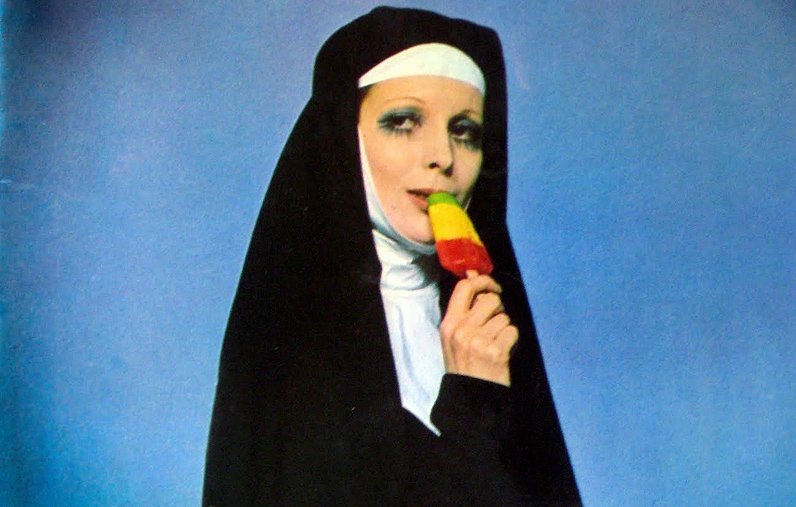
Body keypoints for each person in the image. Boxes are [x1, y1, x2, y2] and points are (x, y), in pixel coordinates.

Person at [203, 6, 581, 505]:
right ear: (345, 137)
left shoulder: (492, 333)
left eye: (465, 131)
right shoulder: (289, 349)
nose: (443, 156)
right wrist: (472, 401)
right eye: (403, 121)